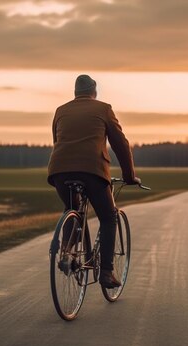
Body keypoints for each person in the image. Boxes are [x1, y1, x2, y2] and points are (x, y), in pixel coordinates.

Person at [47, 74, 140, 289]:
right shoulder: (103, 109)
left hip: (60, 170)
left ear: (75, 93)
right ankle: (106, 272)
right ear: (94, 92)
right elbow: (121, 145)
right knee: (108, 217)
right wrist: (129, 176)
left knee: (71, 207)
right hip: (92, 170)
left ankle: (68, 252)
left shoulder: (61, 111)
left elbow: (57, 141)